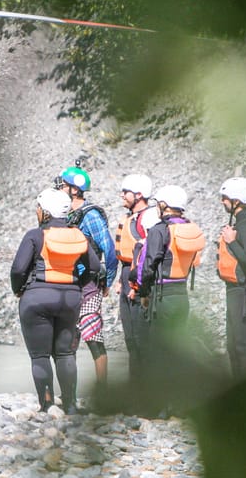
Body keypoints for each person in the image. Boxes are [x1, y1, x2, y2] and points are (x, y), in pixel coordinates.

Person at [10, 188, 103, 414]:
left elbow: (18, 269)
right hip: (70, 299)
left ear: (46, 212)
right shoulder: (78, 236)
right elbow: (94, 268)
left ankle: (47, 403)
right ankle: (70, 404)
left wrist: (19, 290)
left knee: (40, 355)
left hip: (37, 297)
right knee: (65, 353)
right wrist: (76, 285)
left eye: (39, 208)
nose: (37, 211)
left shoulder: (35, 235)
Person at [135, 185, 204, 412]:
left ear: (164, 205)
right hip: (181, 294)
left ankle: (159, 407)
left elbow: (150, 263)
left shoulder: (159, 230)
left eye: (158, 203)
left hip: (161, 296)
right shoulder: (189, 229)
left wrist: (143, 293)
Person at [56, 165, 118, 386]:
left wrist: (107, 281)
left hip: (89, 284)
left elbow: (109, 250)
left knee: (93, 336)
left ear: (74, 189)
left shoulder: (90, 215)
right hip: (67, 283)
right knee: (67, 340)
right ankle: (69, 392)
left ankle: (102, 389)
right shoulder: (62, 213)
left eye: (63, 184)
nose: (60, 187)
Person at [218, 177, 246, 391]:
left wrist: (231, 242)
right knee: (233, 345)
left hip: (244, 291)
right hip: (236, 290)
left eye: (225, 198)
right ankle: (239, 393)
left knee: (243, 345)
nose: (222, 202)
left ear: (236, 201)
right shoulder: (241, 224)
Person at [114, 174, 158, 391]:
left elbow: (148, 256)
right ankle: (135, 389)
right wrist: (121, 281)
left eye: (126, 192)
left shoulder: (147, 220)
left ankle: (145, 391)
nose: (122, 195)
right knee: (131, 339)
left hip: (138, 281)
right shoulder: (132, 217)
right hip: (127, 276)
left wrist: (137, 286)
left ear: (139, 195)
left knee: (141, 340)